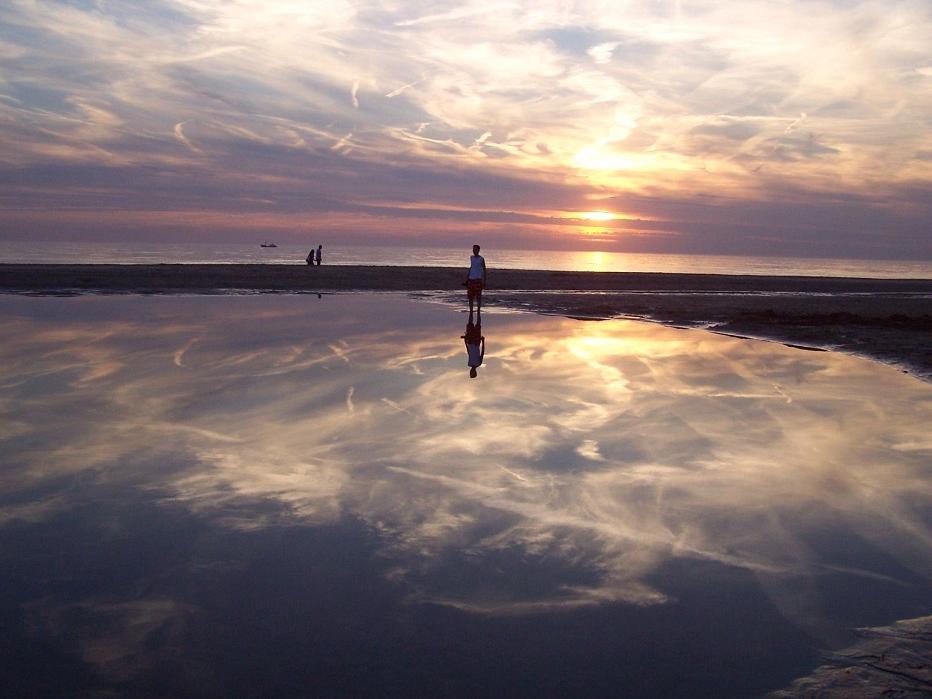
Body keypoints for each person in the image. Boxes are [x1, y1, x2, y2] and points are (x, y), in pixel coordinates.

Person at [462, 310, 485, 378]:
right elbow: (482, 353)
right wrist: (483, 342)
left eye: (470, 373)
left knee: (470, 324)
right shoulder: (479, 364)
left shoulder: (469, 364)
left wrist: (465, 343)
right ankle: (478, 309)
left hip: (470, 342)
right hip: (476, 342)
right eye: (471, 373)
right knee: (478, 324)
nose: (470, 372)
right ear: (475, 372)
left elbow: (469, 352)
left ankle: (471, 310)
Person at [464, 244, 486, 313]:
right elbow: (471, 267)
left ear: (478, 250)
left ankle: (478, 310)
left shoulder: (481, 259)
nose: (474, 251)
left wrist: (484, 280)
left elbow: (484, 269)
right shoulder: (471, 258)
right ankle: (471, 310)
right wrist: (467, 278)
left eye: (475, 249)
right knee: (470, 296)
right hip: (471, 279)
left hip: (478, 279)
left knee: (478, 296)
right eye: (473, 249)